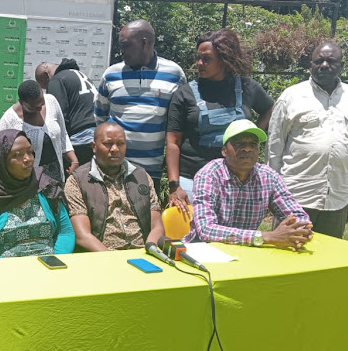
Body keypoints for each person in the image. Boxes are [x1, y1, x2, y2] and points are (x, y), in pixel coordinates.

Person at [166, 29, 274, 214]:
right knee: (192, 237)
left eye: (206, 59)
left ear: (225, 59)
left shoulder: (247, 88)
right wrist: (175, 185)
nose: (199, 63)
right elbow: (172, 142)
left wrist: (254, 134)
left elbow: (270, 109)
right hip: (192, 178)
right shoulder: (185, 93)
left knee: (236, 235)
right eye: (198, 58)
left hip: (239, 179)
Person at [267, 41, 348, 238]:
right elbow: (274, 146)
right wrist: (273, 190)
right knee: (289, 255)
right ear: (310, 64)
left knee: (330, 258)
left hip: (337, 194)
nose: (325, 65)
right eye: (319, 61)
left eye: (331, 61)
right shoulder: (291, 96)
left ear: (341, 66)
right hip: (296, 194)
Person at [187, 119, 313, 249]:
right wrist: (266, 237)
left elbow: (298, 215)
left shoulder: (268, 176)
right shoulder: (209, 175)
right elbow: (206, 229)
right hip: (204, 251)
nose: (247, 149)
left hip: (247, 252)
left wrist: (300, 230)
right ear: (224, 151)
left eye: (253, 144)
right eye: (239, 144)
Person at [95, 19, 186, 192]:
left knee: (146, 218)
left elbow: (177, 123)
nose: (121, 51)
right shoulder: (111, 74)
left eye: (125, 45)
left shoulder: (174, 74)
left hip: (150, 173)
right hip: (112, 169)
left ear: (145, 43)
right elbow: (100, 117)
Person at [0, 129, 75, 259]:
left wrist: (56, 260)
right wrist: (14, 270)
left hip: (48, 267)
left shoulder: (45, 186)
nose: (28, 159)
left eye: (30, 152)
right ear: (0, 161)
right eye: (17, 154)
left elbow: (66, 232)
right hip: (4, 272)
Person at [65, 122, 164, 251]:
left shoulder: (141, 177)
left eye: (120, 144)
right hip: (103, 257)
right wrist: (112, 260)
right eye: (108, 144)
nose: (115, 149)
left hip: (143, 253)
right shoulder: (77, 181)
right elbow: (82, 236)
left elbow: (157, 227)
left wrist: (150, 251)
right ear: (94, 147)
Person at [0, 80, 78, 182]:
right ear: (22, 102)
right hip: (28, 182)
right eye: (33, 107)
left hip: (56, 176)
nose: (40, 108)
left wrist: (74, 160)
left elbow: (62, 134)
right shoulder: (9, 121)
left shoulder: (51, 101)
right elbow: (0, 155)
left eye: (42, 102)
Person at [39, 59, 99, 166]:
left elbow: (59, 116)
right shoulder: (80, 75)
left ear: (45, 75)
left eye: (44, 85)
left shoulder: (56, 80)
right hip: (98, 136)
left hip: (81, 139)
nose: (46, 88)